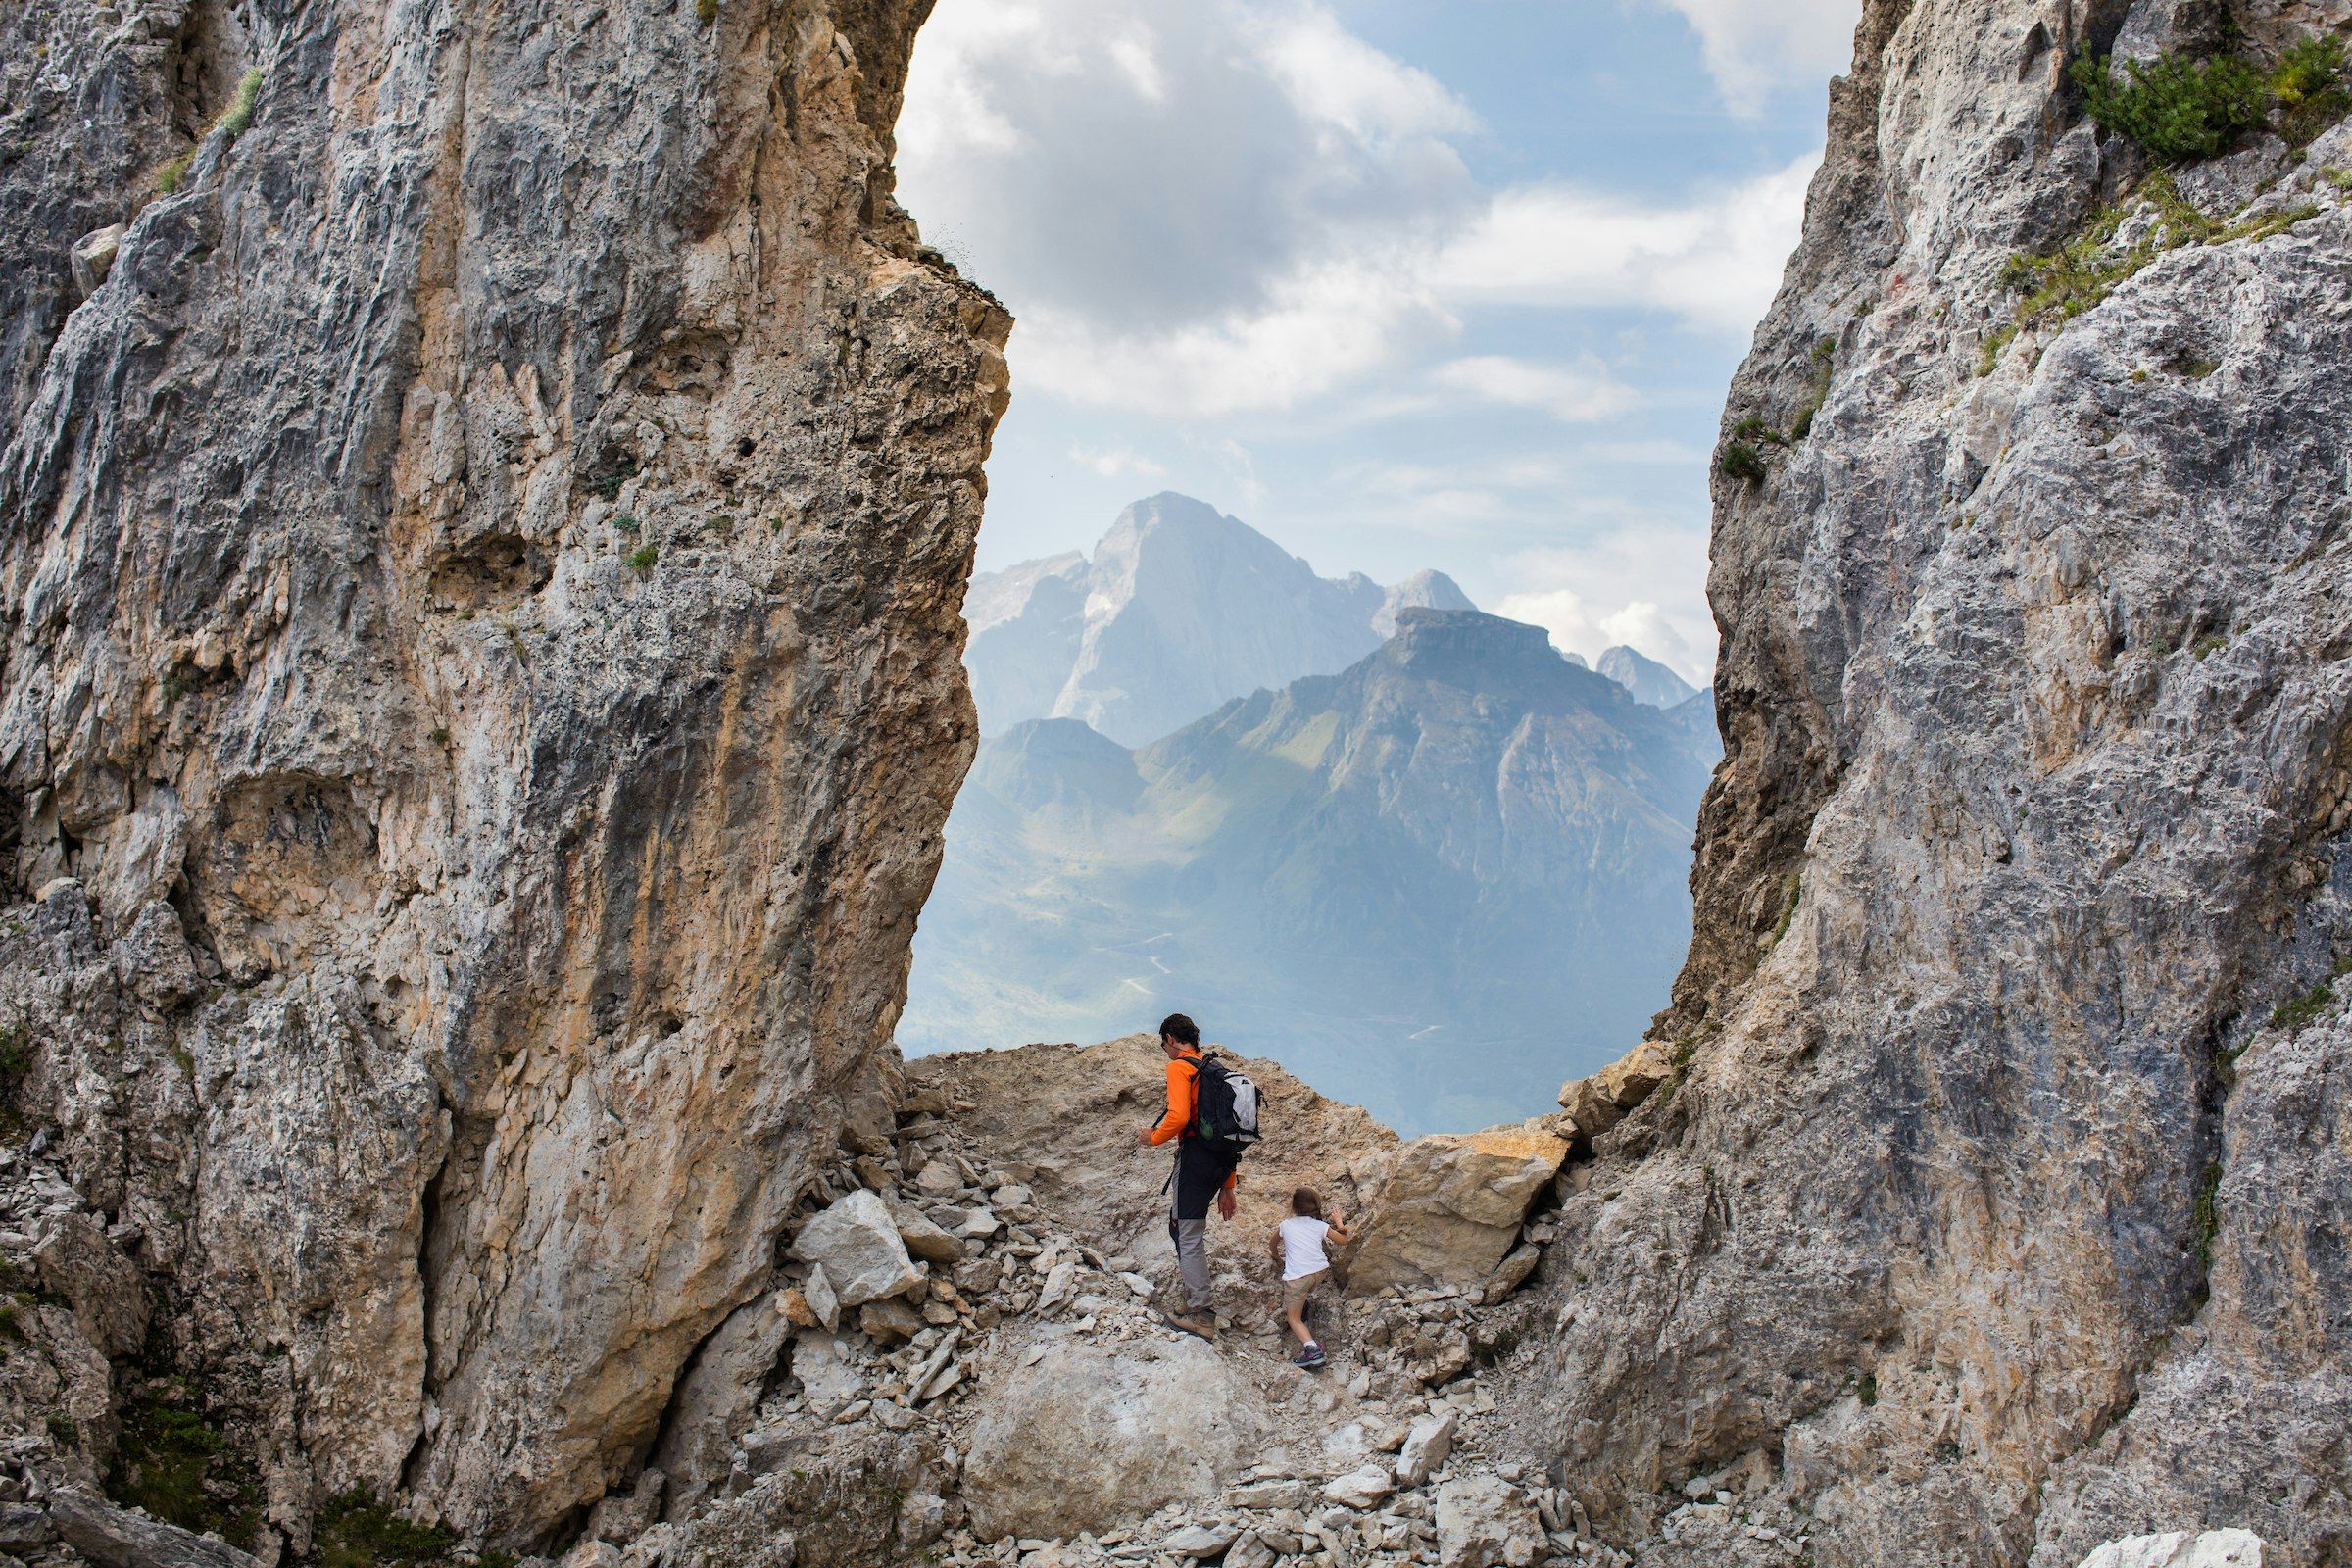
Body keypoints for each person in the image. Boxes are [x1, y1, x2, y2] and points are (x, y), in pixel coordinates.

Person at [1140, 1012, 1240, 1339]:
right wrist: (1228, 1186)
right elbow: (1228, 1133)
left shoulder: (1180, 1067)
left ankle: (1202, 1313)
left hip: (1196, 1158)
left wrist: (1152, 1137)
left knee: (1187, 1231)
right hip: (1220, 1161)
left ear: (1170, 1038)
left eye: (1164, 1045)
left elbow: (1179, 1116)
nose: (1165, 1051)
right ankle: (1196, 1299)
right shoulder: (1213, 1069)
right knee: (1179, 1226)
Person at [1269, 1186, 1347, 1368]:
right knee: (1305, 1289)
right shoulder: (1320, 1225)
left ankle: (1312, 1350)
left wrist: (1277, 1257)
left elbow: (1272, 1246)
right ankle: (1302, 1304)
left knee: (1293, 1319)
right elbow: (1343, 1240)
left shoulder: (1285, 1225)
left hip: (1297, 1279)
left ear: (1293, 1207)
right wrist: (1340, 1223)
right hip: (1319, 1272)